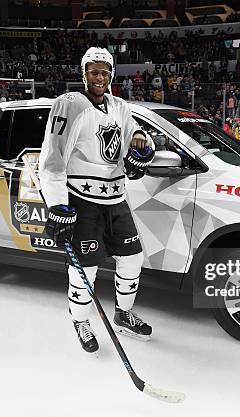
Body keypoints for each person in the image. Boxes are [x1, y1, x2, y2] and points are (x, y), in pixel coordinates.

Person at [39, 47, 155, 354]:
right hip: (82, 200)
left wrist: (142, 144)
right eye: (93, 71)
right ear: (84, 74)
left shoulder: (119, 106)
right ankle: (80, 320)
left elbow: (135, 135)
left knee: (132, 258)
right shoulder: (70, 104)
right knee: (84, 269)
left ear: (112, 75)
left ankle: (123, 313)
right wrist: (57, 205)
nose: (99, 77)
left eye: (105, 71)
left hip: (116, 197)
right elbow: (51, 159)